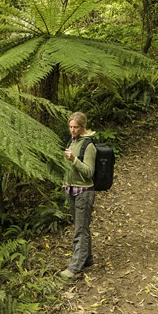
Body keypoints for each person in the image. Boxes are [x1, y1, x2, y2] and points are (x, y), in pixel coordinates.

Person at [60, 112, 97, 280]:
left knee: (80, 230)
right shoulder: (72, 142)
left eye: (76, 127)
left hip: (84, 192)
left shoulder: (88, 146)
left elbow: (89, 172)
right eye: (70, 127)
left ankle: (75, 267)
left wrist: (74, 159)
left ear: (83, 127)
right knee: (81, 226)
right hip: (71, 190)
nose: (72, 130)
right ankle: (87, 259)